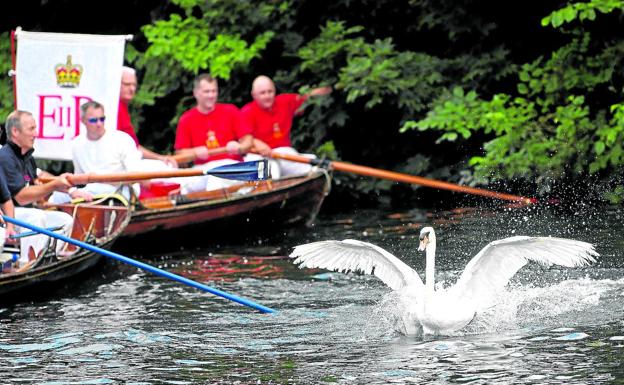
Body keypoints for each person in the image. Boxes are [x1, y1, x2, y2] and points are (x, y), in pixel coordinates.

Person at [0, 111, 74, 265]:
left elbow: (37, 187)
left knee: (65, 220)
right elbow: (20, 196)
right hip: (10, 215)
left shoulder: (28, 157)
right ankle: (26, 263)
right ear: (15, 131)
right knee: (35, 217)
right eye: (31, 129)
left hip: (24, 213)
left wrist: (63, 189)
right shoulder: (5, 157)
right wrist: (53, 184)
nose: (36, 133)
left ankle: (49, 257)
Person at [241, 75, 332, 178]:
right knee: (271, 171)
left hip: (284, 153)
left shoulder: (284, 101)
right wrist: (257, 143)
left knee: (313, 164)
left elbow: (307, 97)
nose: (267, 96)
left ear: (274, 91)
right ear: (254, 95)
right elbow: (243, 138)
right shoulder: (246, 112)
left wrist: (331, 87)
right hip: (258, 156)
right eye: (262, 93)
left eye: (270, 91)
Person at [174, 74, 253, 191]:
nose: (211, 95)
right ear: (196, 93)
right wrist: (195, 152)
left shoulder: (230, 111)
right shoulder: (186, 119)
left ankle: (213, 206)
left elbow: (248, 141)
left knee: (216, 180)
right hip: (202, 168)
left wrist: (240, 147)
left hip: (231, 165)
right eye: (206, 92)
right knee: (184, 187)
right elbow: (180, 154)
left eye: (214, 91)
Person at [118, 66, 177, 167]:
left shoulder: (122, 107)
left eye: (134, 85)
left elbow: (134, 146)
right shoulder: (114, 107)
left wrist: (160, 158)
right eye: (127, 84)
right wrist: (160, 158)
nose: (132, 89)